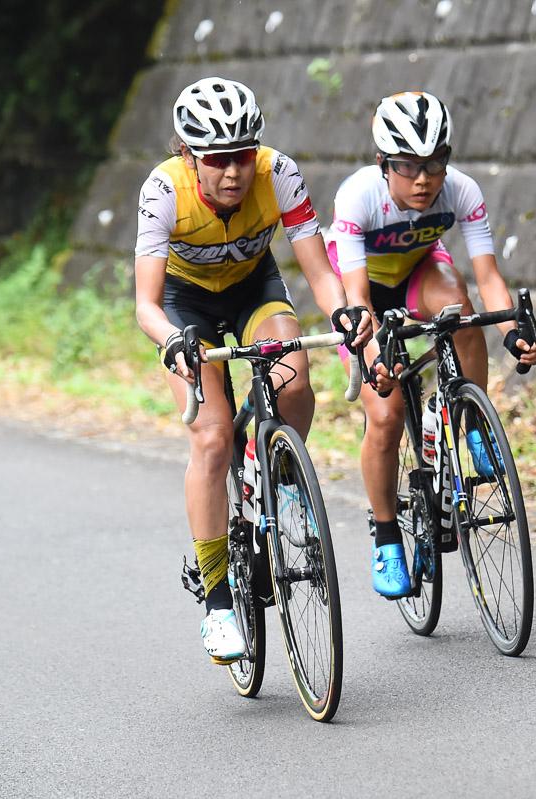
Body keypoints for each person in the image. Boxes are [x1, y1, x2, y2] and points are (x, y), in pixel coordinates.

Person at [133, 77, 372, 663]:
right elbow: (145, 304)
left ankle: (280, 477)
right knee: (211, 437)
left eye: (243, 154)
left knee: (294, 373)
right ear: (189, 156)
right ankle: (217, 603)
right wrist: (172, 343)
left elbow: (317, 269)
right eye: (218, 159)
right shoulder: (163, 191)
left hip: (252, 288)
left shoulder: (279, 173)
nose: (234, 172)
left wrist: (343, 309)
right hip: (184, 308)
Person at [326, 91, 536, 597]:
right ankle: (385, 537)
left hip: (421, 273)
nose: (423, 180)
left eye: (435, 164)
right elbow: (357, 298)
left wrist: (512, 333)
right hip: (362, 292)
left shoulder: (461, 191)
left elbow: (488, 277)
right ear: (383, 163)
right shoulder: (358, 196)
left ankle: (468, 422)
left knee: (460, 310)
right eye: (407, 167)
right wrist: (376, 358)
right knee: (383, 416)